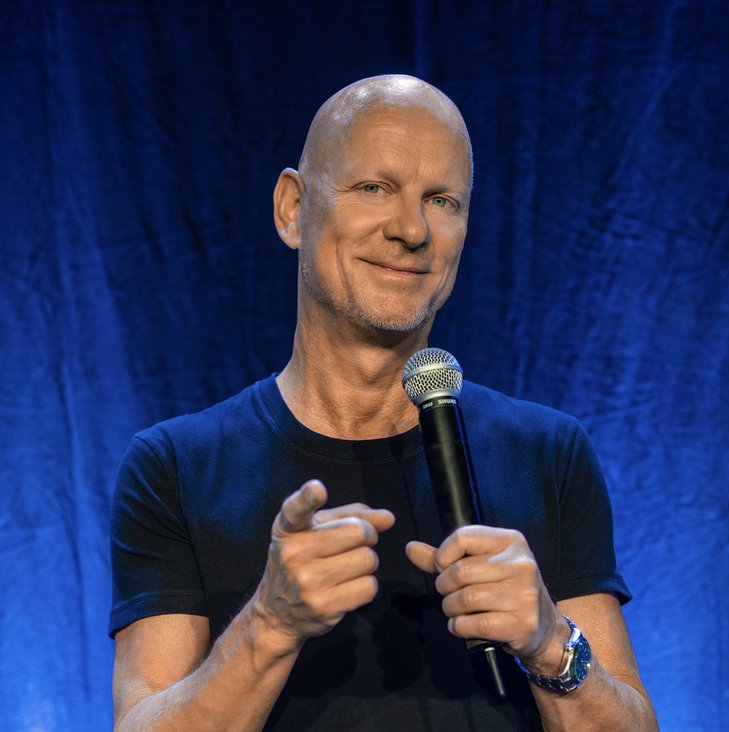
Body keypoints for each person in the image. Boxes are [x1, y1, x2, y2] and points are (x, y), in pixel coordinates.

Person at [109, 74, 658, 731]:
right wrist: (270, 624)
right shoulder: (175, 467)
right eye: (374, 188)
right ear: (292, 208)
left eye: (442, 200)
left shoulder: (548, 453)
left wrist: (549, 643)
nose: (411, 229)